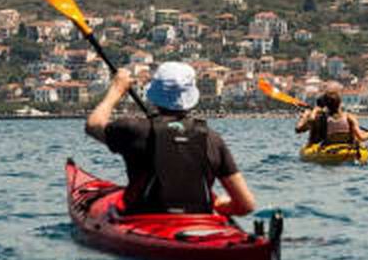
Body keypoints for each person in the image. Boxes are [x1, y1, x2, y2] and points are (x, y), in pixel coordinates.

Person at [85, 61, 255, 216]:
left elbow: (93, 125)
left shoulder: (133, 130)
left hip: (143, 222)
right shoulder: (212, 139)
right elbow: (246, 205)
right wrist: (216, 204)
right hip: (200, 225)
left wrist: (117, 89)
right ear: (191, 98)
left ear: (155, 95)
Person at [296, 89, 368, 145]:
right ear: (340, 103)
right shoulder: (349, 117)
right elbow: (362, 138)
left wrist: (305, 116)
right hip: (347, 147)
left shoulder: (322, 118)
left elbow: (299, 129)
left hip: (328, 148)